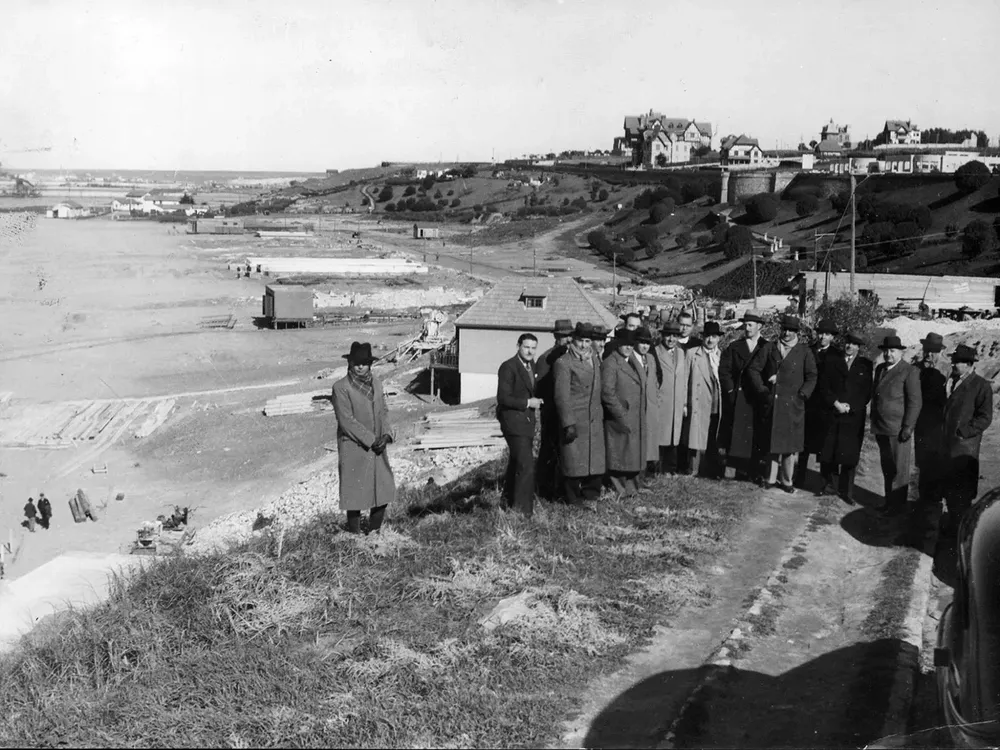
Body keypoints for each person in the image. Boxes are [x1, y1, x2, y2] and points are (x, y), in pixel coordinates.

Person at [332, 341, 396, 535]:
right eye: (356, 362)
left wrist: (386, 435)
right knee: (355, 494)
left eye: (364, 363)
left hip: (377, 446)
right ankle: (355, 536)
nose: (360, 366)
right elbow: (346, 421)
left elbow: (383, 411)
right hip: (354, 447)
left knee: (382, 490)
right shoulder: (340, 387)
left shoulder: (376, 383)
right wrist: (371, 440)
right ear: (350, 363)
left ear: (370, 364)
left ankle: (375, 534)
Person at [748, 314, 818, 493]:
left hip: (793, 405)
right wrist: (763, 390)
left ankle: (787, 480)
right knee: (772, 443)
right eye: (784, 329)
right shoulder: (770, 348)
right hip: (772, 402)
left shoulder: (804, 351)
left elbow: (812, 376)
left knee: (789, 446)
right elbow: (754, 370)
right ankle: (769, 479)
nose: (787, 333)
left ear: (797, 332)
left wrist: (802, 395)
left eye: (791, 330)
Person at [941, 344, 993, 533]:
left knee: (962, 491)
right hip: (948, 444)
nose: (953, 364)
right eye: (954, 360)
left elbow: (985, 417)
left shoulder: (981, 385)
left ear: (970, 364)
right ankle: (953, 526)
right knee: (950, 487)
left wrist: (964, 432)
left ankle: (960, 531)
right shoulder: (952, 381)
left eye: (958, 362)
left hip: (964, 448)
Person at [817, 331, 874, 504]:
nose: (850, 346)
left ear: (859, 347)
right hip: (834, 411)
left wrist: (851, 407)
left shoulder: (865, 365)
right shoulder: (832, 361)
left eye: (854, 344)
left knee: (849, 454)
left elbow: (866, 391)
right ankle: (828, 486)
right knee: (830, 451)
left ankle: (846, 491)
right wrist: (836, 403)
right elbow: (824, 385)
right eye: (848, 343)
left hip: (853, 416)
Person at [553, 323, 606, 505]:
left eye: (587, 341)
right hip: (576, 420)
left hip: (594, 418)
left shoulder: (595, 360)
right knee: (574, 461)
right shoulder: (564, 363)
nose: (584, 345)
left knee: (594, 459)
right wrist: (568, 423)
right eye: (580, 341)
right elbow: (562, 396)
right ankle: (572, 498)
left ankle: (591, 493)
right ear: (573, 340)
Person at [870, 335, 923, 516]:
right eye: (885, 350)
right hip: (881, 427)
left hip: (898, 429)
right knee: (887, 467)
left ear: (901, 352)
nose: (888, 354)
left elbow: (915, 402)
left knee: (899, 471)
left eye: (892, 351)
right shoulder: (880, 369)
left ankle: (897, 509)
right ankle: (889, 503)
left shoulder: (909, 371)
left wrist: (908, 427)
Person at [496, 333, 542, 516]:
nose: (530, 351)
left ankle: (507, 503)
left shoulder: (532, 365)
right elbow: (503, 397)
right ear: (518, 346)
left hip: (527, 423)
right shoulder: (508, 367)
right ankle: (523, 512)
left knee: (517, 464)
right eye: (526, 347)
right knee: (526, 465)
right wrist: (528, 403)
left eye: (533, 347)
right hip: (513, 422)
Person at [719, 311, 766, 482]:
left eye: (750, 325)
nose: (746, 328)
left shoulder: (767, 346)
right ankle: (732, 470)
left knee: (755, 434)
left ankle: (753, 471)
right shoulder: (734, 347)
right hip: (738, 397)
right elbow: (724, 371)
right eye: (745, 324)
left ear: (759, 326)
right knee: (736, 434)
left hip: (757, 398)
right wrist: (731, 390)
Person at [601, 328, 648, 497]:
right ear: (616, 344)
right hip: (620, 419)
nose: (628, 347)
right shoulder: (611, 363)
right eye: (624, 344)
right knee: (620, 456)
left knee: (631, 455)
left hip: (635, 417)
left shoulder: (633, 361)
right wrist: (621, 414)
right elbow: (607, 392)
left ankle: (631, 489)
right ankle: (619, 490)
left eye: (630, 344)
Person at [798, 318, 840, 488]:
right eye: (821, 333)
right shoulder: (808, 351)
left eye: (827, 334)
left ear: (832, 337)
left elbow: (838, 383)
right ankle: (799, 478)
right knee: (804, 444)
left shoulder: (837, 355)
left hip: (826, 407)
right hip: (808, 404)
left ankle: (824, 483)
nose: (823, 337)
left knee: (825, 447)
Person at [535, 319, 574, 500]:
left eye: (569, 336)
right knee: (549, 450)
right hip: (551, 411)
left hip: (568, 411)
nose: (567, 340)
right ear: (556, 337)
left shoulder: (573, 356)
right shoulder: (546, 359)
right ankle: (544, 489)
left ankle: (561, 488)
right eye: (563, 336)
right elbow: (541, 389)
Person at [914, 332, 948, 508]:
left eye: (933, 351)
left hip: (940, 424)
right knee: (922, 460)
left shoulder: (947, 369)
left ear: (940, 352)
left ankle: (935, 500)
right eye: (927, 350)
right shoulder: (917, 368)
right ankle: (923, 498)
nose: (929, 354)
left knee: (938, 461)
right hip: (921, 422)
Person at [687, 321, 725, 478]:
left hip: (716, 402)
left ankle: (711, 470)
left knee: (712, 436)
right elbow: (685, 380)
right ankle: (693, 469)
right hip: (699, 401)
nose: (710, 340)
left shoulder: (721, 356)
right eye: (708, 336)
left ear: (719, 339)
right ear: (703, 337)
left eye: (714, 337)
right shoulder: (692, 354)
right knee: (695, 436)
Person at [652, 321, 689, 475]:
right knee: (661, 436)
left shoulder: (681, 353)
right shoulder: (655, 352)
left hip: (677, 402)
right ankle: (657, 470)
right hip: (662, 402)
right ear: (662, 336)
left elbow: (685, 378)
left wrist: (684, 403)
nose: (671, 339)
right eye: (668, 336)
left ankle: (670, 469)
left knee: (674, 437)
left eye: (674, 336)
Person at [633, 327, 660, 484]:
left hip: (650, 405)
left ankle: (648, 472)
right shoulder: (631, 358)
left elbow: (654, 380)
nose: (644, 346)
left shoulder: (650, 358)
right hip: (638, 405)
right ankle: (637, 474)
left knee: (650, 439)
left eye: (647, 343)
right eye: (642, 343)